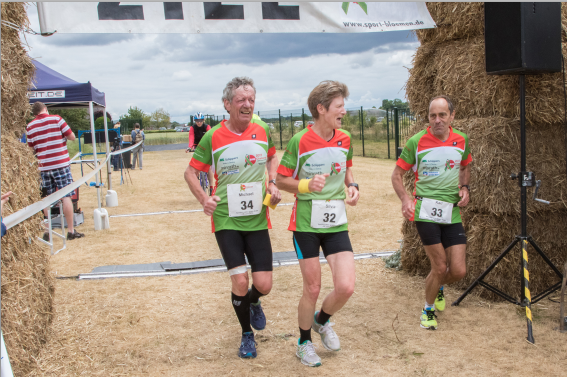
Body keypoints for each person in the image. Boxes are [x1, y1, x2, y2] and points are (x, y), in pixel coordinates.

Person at [184, 77, 282, 359]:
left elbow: (272, 157)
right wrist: (204, 199)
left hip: (257, 217)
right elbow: (190, 172)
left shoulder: (262, 129)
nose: (248, 105)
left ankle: (253, 302)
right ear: (227, 104)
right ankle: (246, 334)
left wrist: (272, 182)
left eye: (251, 99)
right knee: (240, 281)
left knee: (263, 285)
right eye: (241, 100)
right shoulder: (212, 136)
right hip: (226, 218)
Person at [276, 80, 360, 367]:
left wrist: (353, 186)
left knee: (346, 286)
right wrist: (306, 185)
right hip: (306, 226)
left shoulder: (345, 138)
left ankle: (321, 320)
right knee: (312, 288)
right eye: (338, 106)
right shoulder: (299, 141)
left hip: (336, 223)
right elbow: (280, 179)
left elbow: (347, 169)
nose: (344, 111)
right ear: (321, 109)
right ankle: (303, 343)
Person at [391, 95, 472, 331]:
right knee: (439, 267)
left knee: (458, 270)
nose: (437, 120)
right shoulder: (416, 142)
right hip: (425, 211)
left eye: (442, 115)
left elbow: (465, 165)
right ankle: (427, 311)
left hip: (451, 212)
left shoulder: (462, 140)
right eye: (432, 116)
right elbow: (397, 175)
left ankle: (437, 287)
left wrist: (464, 187)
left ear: (452, 116)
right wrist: (406, 199)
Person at [26, 102, 84, 240]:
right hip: (61, 164)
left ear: (34, 114)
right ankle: (70, 231)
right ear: (45, 109)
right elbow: (72, 137)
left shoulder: (30, 126)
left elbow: (30, 149)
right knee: (66, 197)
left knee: (47, 199)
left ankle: (48, 232)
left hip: (43, 166)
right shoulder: (57, 119)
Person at [186, 112, 213, 195]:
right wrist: (190, 147)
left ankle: (211, 187)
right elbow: (191, 138)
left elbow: (211, 137)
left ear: (203, 120)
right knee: (195, 165)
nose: (199, 122)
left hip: (207, 147)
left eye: (200, 120)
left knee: (208, 167)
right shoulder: (192, 128)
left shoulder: (207, 127)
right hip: (197, 147)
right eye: (197, 121)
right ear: (195, 121)